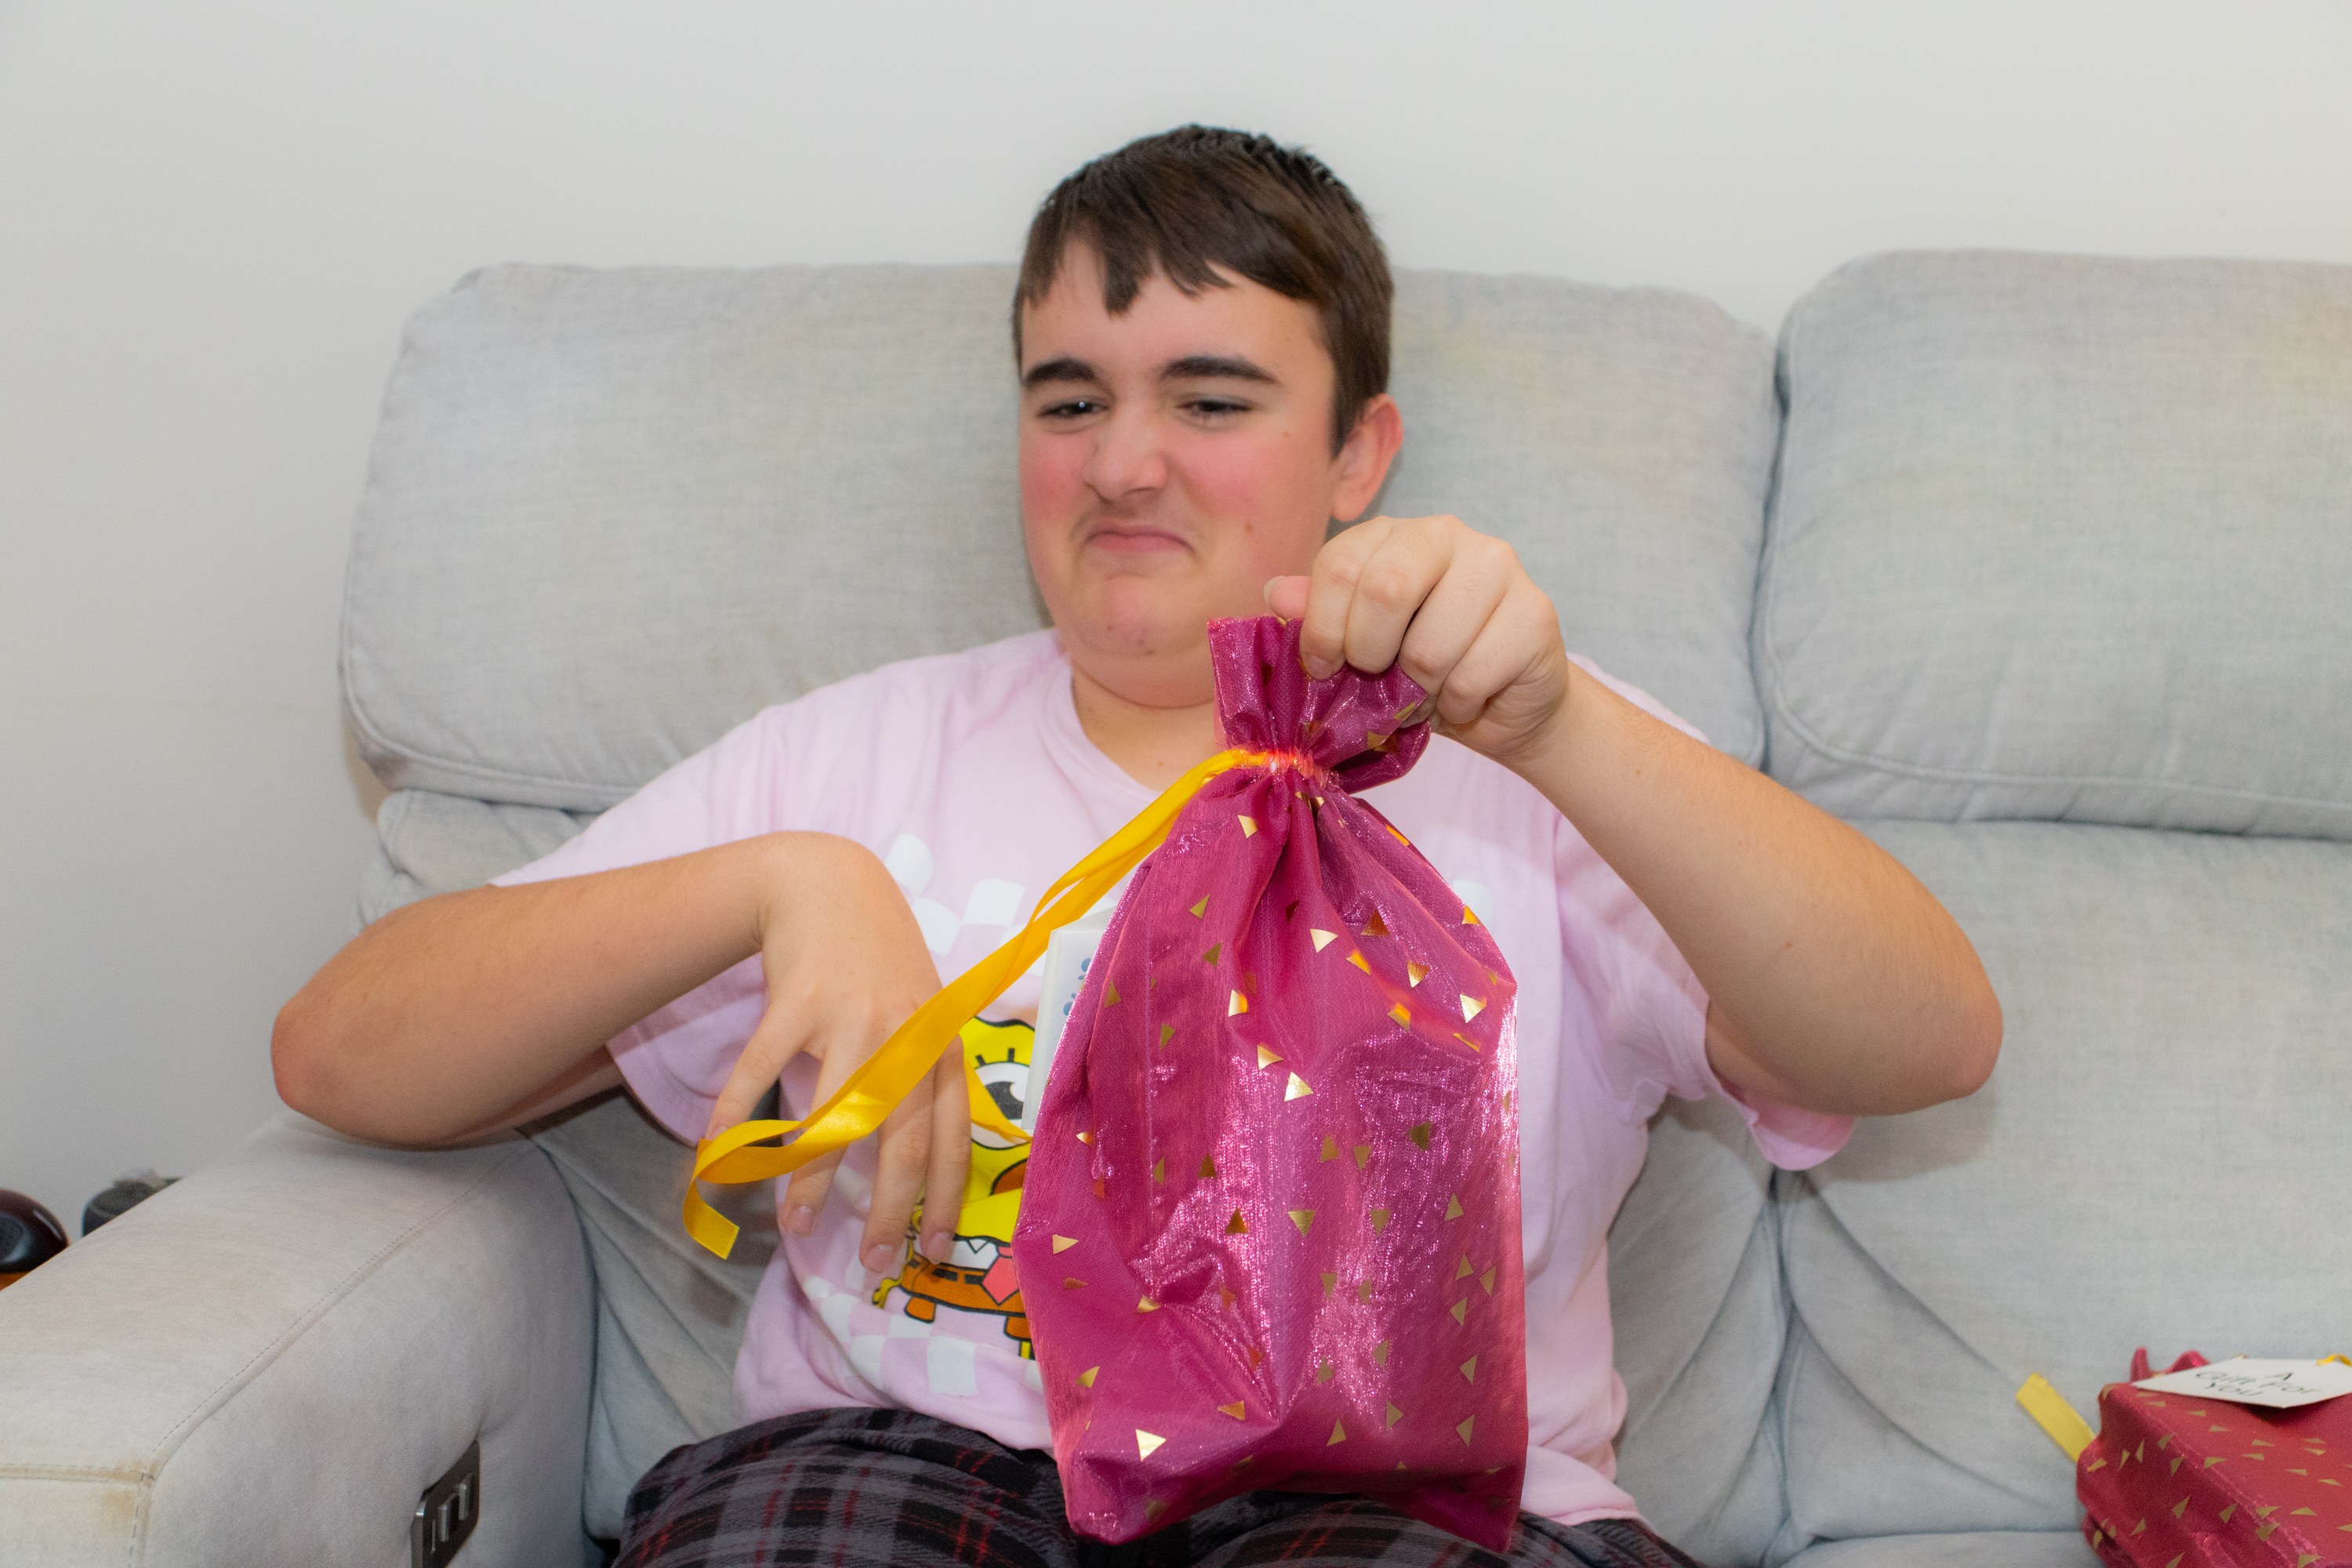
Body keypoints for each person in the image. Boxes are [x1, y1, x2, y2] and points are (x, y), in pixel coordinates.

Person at [274, 126, 2000, 1568]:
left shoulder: (1524, 747)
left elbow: (1926, 1042)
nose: (1123, 464)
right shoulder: (858, 757)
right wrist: (779, 880)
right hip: (909, 1467)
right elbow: (343, 1054)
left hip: (1392, 1496)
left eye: (1212, 398)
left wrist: (1562, 732)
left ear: (1360, 452)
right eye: (1067, 399)